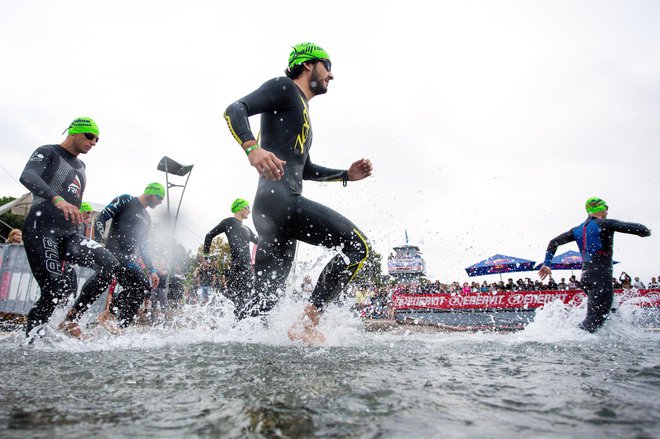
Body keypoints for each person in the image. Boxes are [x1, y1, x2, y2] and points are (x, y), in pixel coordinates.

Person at [223, 42, 373, 344]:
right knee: (358, 248)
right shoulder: (284, 88)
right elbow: (234, 109)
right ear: (308, 64)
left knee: (264, 302)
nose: (331, 75)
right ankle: (308, 322)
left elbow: (304, 168)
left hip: (270, 209)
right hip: (281, 202)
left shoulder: (300, 109)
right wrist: (252, 148)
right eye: (327, 66)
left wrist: (346, 175)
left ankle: (234, 342)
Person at [19, 117, 119, 338]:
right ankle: (31, 340)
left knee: (110, 264)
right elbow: (27, 176)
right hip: (41, 228)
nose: (93, 142)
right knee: (54, 288)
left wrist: (76, 215)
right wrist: (57, 200)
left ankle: (71, 318)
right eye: (90, 136)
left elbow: (72, 196)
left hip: (68, 234)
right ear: (74, 132)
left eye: (97, 140)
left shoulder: (81, 166)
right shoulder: (48, 152)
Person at [539, 197, 651, 333]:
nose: (607, 212)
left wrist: (547, 263)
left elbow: (553, 242)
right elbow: (643, 231)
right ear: (602, 209)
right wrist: (648, 231)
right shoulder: (604, 224)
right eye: (607, 209)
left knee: (612, 313)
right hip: (601, 279)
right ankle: (565, 338)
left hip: (586, 279)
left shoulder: (576, 230)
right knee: (593, 323)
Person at [64, 183, 163, 330]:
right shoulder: (126, 200)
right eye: (159, 197)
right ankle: (74, 316)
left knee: (142, 287)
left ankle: (117, 323)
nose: (160, 202)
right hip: (112, 252)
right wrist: (99, 244)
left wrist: (152, 270)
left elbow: (144, 246)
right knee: (104, 279)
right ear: (150, 193)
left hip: (128, 258)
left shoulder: (147, 218)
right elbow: (100, 218)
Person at [203, 198, 258, 319]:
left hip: (248, 269)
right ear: (240, 208)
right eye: (248, 208)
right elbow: (209, 235)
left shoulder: (247, 229)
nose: (249, 211)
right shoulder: (229, 222)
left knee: (249, 299)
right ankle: (233, 325)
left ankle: (241, 326)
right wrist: (206, 257)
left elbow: (260, 242)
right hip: (238, 267)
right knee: (239, 301)